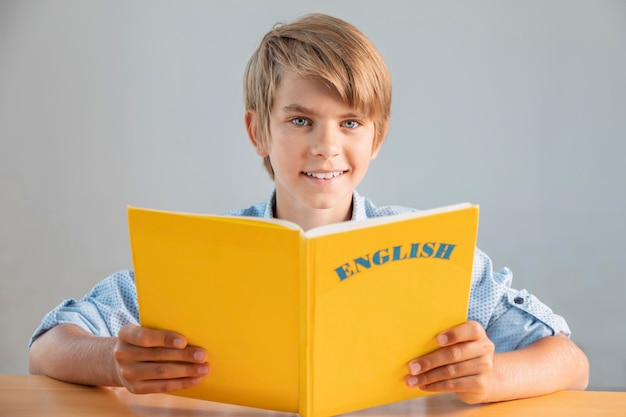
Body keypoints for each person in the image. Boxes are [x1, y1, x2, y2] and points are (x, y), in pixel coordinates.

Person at [28, 13, 589, 405]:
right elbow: (50, 345)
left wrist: (487, 377)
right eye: (300, 120)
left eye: (350, 123)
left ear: (377, 137)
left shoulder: (436, 252)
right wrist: (113, 363)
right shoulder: (200, 256)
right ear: (258, 131)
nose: (326, 146)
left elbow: (570, 362)